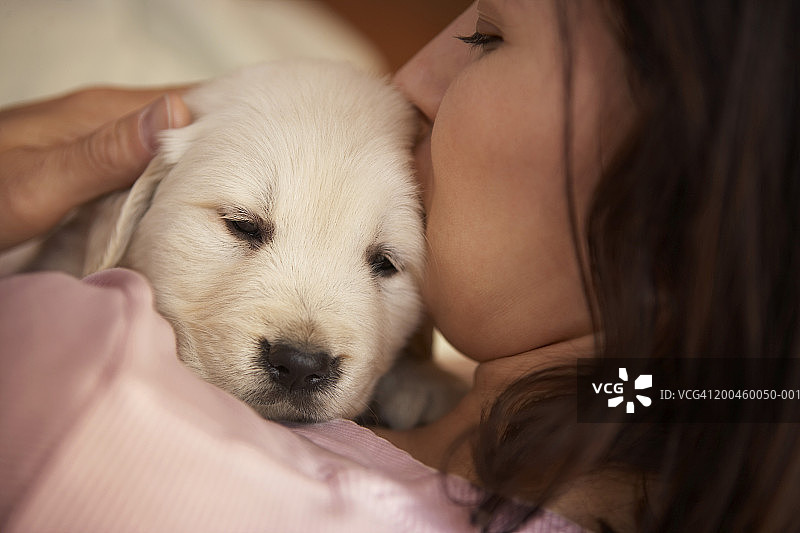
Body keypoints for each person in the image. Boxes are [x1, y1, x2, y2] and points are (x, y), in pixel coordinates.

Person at [1, 1, 798, 532]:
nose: (412, 78)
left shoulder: (85, 397)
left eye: (489, 35)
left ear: (672, 174)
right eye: (245, 225)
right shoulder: (676, 394)